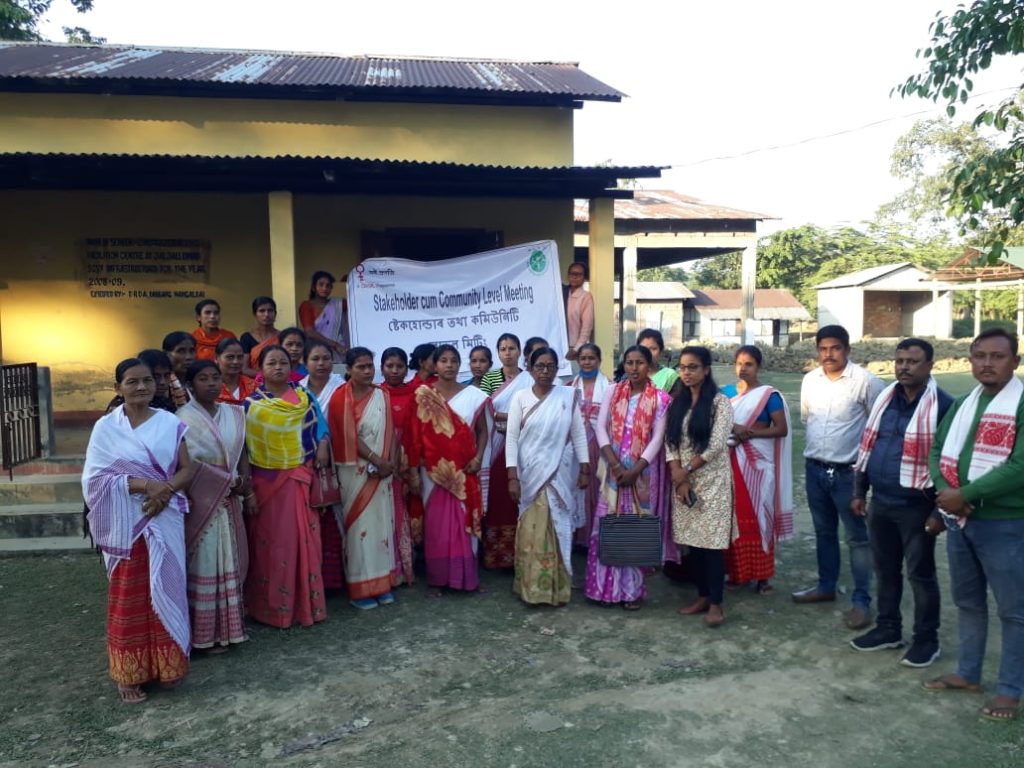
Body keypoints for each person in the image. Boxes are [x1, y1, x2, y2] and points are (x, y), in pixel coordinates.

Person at [924, 328, 1024, 721]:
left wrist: (966, 493)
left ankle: (1010, 690)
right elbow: (936, 450)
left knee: (1014, 611)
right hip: (961, 520)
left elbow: (1020, 467)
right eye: (979, 355)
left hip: (1005, 524)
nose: (986, 363)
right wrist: (949, 490)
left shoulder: (1020, 404)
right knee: (967, 601)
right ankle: (968, 673)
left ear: (1015, 361)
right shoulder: (963, 404)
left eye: (997, 356)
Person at [82, 358, 193, 704]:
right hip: (126, 521)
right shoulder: (106, 428)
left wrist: (165, 492)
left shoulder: (169, 423)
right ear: (118, 388)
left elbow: (187, 469)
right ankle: (128, 673)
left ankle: (167, 666)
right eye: (132, 382)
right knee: (129, 595)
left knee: (168, 585)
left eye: (147, 381)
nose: (141, 387)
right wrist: (147, 486)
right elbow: (94, 479)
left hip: (164, 515)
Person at [849, 338, 952, 667]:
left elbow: (951, 463)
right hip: (881, 501)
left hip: (917, 505)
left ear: (929, 366)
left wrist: (939, 511)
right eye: (900, 361)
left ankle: (926, 640)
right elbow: (869, 445)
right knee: (885, 569)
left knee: (920, 575)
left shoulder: (944, 405)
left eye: (913, 361)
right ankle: (888, 629)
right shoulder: (885, 399)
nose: (904, 367)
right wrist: (858, 490)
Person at [793, 324, 886, 630]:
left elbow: (878, 429)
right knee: (824, 533)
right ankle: (826, 586)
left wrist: (864, 476)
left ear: (847, 350)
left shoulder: (867, 382)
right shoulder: (810, 380)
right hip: (815, 469)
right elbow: (809, 419)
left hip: (849, 474)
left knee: (858, 539)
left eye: (835, 348)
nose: (828, 354)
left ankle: (862, 602)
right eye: (823, 348)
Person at [243, 344, 331, 628]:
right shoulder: (251, 405)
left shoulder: (304, 396)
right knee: (273, 544)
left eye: (283, 362)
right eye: (272, 363)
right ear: (261, 369)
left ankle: (307, 605)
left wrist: (323, 446)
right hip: (267, 483)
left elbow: (320, 427)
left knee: (306, 541)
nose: (278, 367)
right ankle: (273, 608)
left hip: (300, 476)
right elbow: (244, 447)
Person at [585, 345, 672, 610]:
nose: (634, 368)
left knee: (634, 529)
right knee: (607, 526)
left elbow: (658, 438)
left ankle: (631, 592)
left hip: (642, 474)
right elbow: (600, 427)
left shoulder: (660, 398)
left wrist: (635, 470)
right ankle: (602, 589)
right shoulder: (613, 390)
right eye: (629, 363)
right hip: (612, 470)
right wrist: (614, 463)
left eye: (640, 363)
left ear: (649, 365)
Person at [506, 347, 589, 605]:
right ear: (529, 368)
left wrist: (585, 467)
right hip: (530, 475)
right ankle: (531, 589)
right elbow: (512, 437)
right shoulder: (520, 397)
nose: (545, 371)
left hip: (559, 474)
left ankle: (557, 589)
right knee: (532, 531)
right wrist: (512, 476)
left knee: (558, 527)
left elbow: (578, 434)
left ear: (557, 369)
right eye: (539, 366)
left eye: (550, 366)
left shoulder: (567, 396)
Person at [177, 360, 250, 654]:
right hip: (204, 502)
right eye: (203, 378)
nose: (210, 383)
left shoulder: (234, 413)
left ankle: (231, 629)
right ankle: (205, 636)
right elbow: (187, 465)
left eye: (215, 377)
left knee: (231, 561)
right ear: (191, 385)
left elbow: (243, 449)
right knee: (206, 562)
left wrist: (245, 481)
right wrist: (227, 483)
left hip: (231, 499)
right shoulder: (182, 418)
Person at [408, 344, 491, 594]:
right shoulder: (423, 395)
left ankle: (464, 576)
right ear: (435, 364)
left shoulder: (473, 395)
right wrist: (413, 469)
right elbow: (414, 435)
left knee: (463, 523)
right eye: (443, 360)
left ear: (459, 364)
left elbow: (484, 431)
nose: (449, 365)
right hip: (434, 472)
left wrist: (478, 458)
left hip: (466, 471)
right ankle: (439, 578)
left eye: (453, 360)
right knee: (436, 526)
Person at [667, 346, 735, 627]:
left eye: (693, 367)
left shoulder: (720, 403)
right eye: (683, 367)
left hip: (713, 481)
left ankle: (717, 604)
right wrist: (677, 474)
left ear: (706, 370)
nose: (686, 372)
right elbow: (670, 443)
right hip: (684, 482)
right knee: (693, 542)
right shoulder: (677, 403)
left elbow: (717, 445)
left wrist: (686, 471)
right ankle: (703, 596)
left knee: (713, 545)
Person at [328, 347, 399, 609]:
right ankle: (360, 589)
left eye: (370, 366)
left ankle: (381, 584)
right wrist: (376, 460)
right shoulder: (339, 398)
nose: (368, 371)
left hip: (382, 471)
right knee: (360, 529)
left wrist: (388, 462)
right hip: (354, 471)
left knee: (381, 526)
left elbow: (391, 431)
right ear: (348, 369)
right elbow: (347, 436)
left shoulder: (382, 394)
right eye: (361, 366)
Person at [722, 345, 793, 596]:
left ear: (759, 366)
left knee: (761, 516)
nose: (743, 368)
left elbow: (780, 429)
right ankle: (737, 573)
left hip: (757, 466)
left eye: (749, 364)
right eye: (739, 363)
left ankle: (763, 577)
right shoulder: (727, 393)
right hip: (730, 463)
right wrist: (735, 430)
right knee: (733, 520)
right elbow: (717, 425)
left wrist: (747, 432)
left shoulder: (769, 396)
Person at [300, 340, 347, 592]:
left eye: (326, 358)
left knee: (337, 514)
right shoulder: (297, 391)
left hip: (339, 460)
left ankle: (337, 577)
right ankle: (312, 576)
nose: (321, 364)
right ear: (305, 363)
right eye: (315, 359)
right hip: (305, 461)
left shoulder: (342, 388)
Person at [482, 333, 532, 569]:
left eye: (512, 348)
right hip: (496, 445)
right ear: (498, 353)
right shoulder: (490, 378)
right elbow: (484, 410)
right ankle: (497, 557)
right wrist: (513, 418)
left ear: (520, 352)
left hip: (522, 445)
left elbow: (533, 412)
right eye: (503, 348)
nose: (508, 352)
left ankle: (520, 554)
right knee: (498, 496)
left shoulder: (529, 379)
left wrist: (510, 419)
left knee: (518, 497)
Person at [378, 346, 417, 585]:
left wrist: (409, 462)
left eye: (399, 366)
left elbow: (417, 431)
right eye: (389, 366)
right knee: (384, 515)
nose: (394, 370)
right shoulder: (374, 394)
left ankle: (403, 568)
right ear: (381, 368)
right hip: (381, 463)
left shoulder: (415, 394)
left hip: (407, 463)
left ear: (406, 368)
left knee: (405, 513)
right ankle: (386, 570)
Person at [570, 343, 611, 547]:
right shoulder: (569, 386)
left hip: (599, 445)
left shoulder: (610, 387)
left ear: (599, 360)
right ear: (578, 361)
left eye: (591, 358)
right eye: (583, 358)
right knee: (576, 487)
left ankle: (595, 537)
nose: (587, 362)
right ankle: (578, 537)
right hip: (575, 446)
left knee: (597, 488)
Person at [298, 271, 347, 361]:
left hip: (338, 353)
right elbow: (310, 332)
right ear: (313, 287)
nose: (324, 288)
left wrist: (352, 281)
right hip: (315, 350)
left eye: (328, 285)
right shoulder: (306, 306)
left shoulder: (338, 304)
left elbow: (356, 305)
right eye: (321, 284)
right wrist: (335, 345)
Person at [239, 296, 280, 375]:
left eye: (270, 310)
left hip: (280, 380)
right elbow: (244, 369)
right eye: (262, 311)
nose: (266, 314)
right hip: (254, 382)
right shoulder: (246, 338)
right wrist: (267, 376)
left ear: (275, 314)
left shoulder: (282, 337)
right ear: (255, 314)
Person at [564, 262, 595, 363]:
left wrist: (576, 349)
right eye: (572, 274)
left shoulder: (585, 297)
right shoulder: (561, 294)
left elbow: (587, 327)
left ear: (584, 277)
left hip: (574, 351)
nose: (575, 277)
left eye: (579, 274)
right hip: (558, 348)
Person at [637, 328, 680, 394]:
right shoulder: (629, 376)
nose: (648, 353)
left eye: (653, 349)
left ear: (661, 352)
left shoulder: (670, 376)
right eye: (643, 348)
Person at [215, 338, 256, 405]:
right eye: (230, 357)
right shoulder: (210, 386)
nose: (236, 362)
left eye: (240, 357)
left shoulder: (254, 387)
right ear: (217, 358)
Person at [163, 331, 196, 408]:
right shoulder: (162, 385)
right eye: (181, 351)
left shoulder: (196, 383)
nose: (188, 357)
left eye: (192, 351)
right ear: (166, 354)